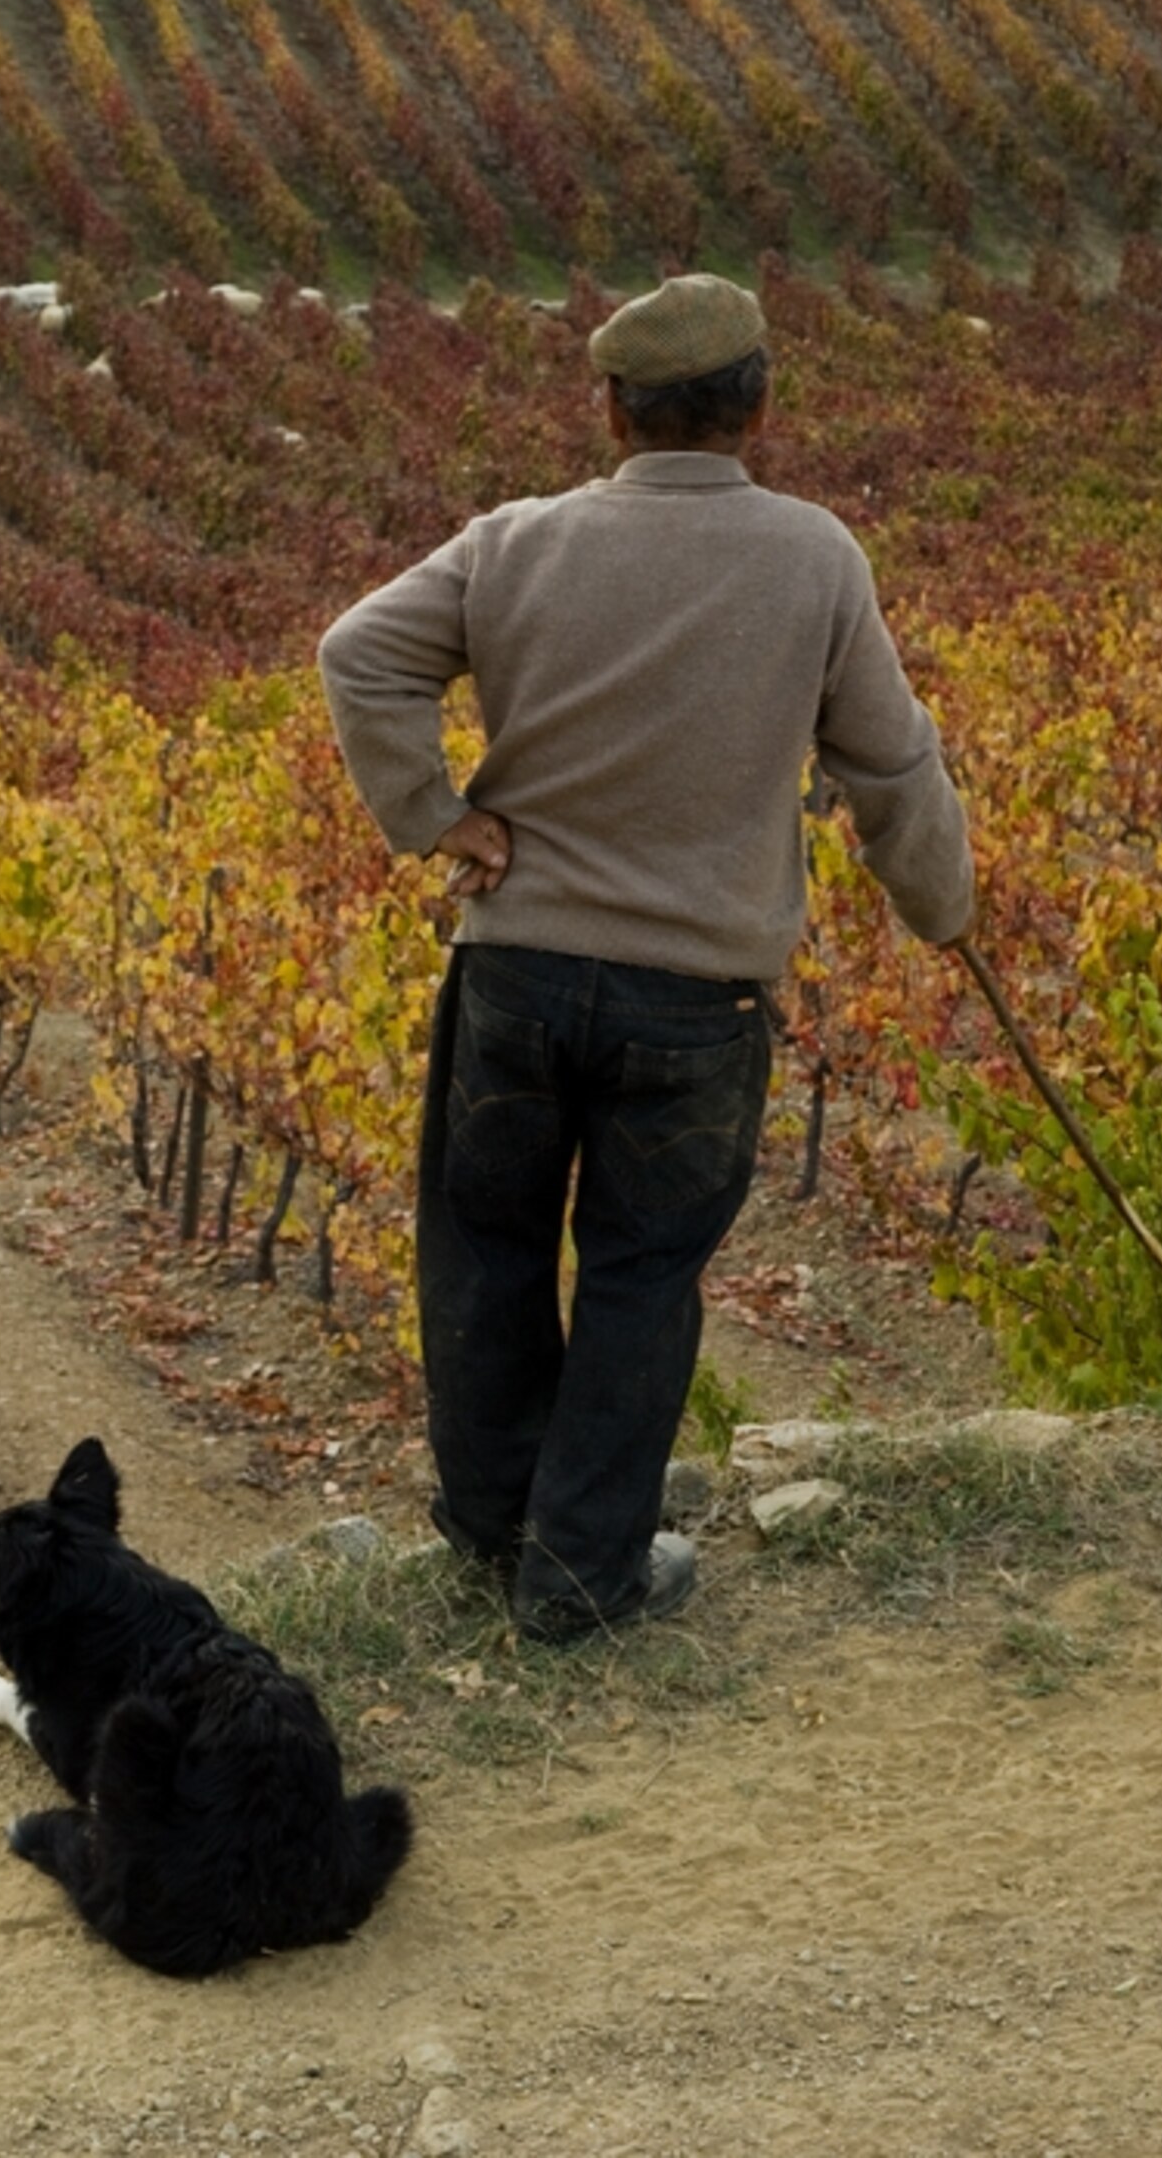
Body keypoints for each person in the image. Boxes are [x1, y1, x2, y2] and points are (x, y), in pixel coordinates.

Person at [316, 273, 974, 1644]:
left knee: (485, 1250)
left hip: (515, 975)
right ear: (759, 405)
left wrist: (435, 819)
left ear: (609, 406)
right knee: (639, 1275)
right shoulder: (815, 558)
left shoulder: (516, 542)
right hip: (698, 1001)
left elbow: (357, 653)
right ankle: (582, 1575)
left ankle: (493, 1528)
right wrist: (944, 911)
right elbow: (893, 764)